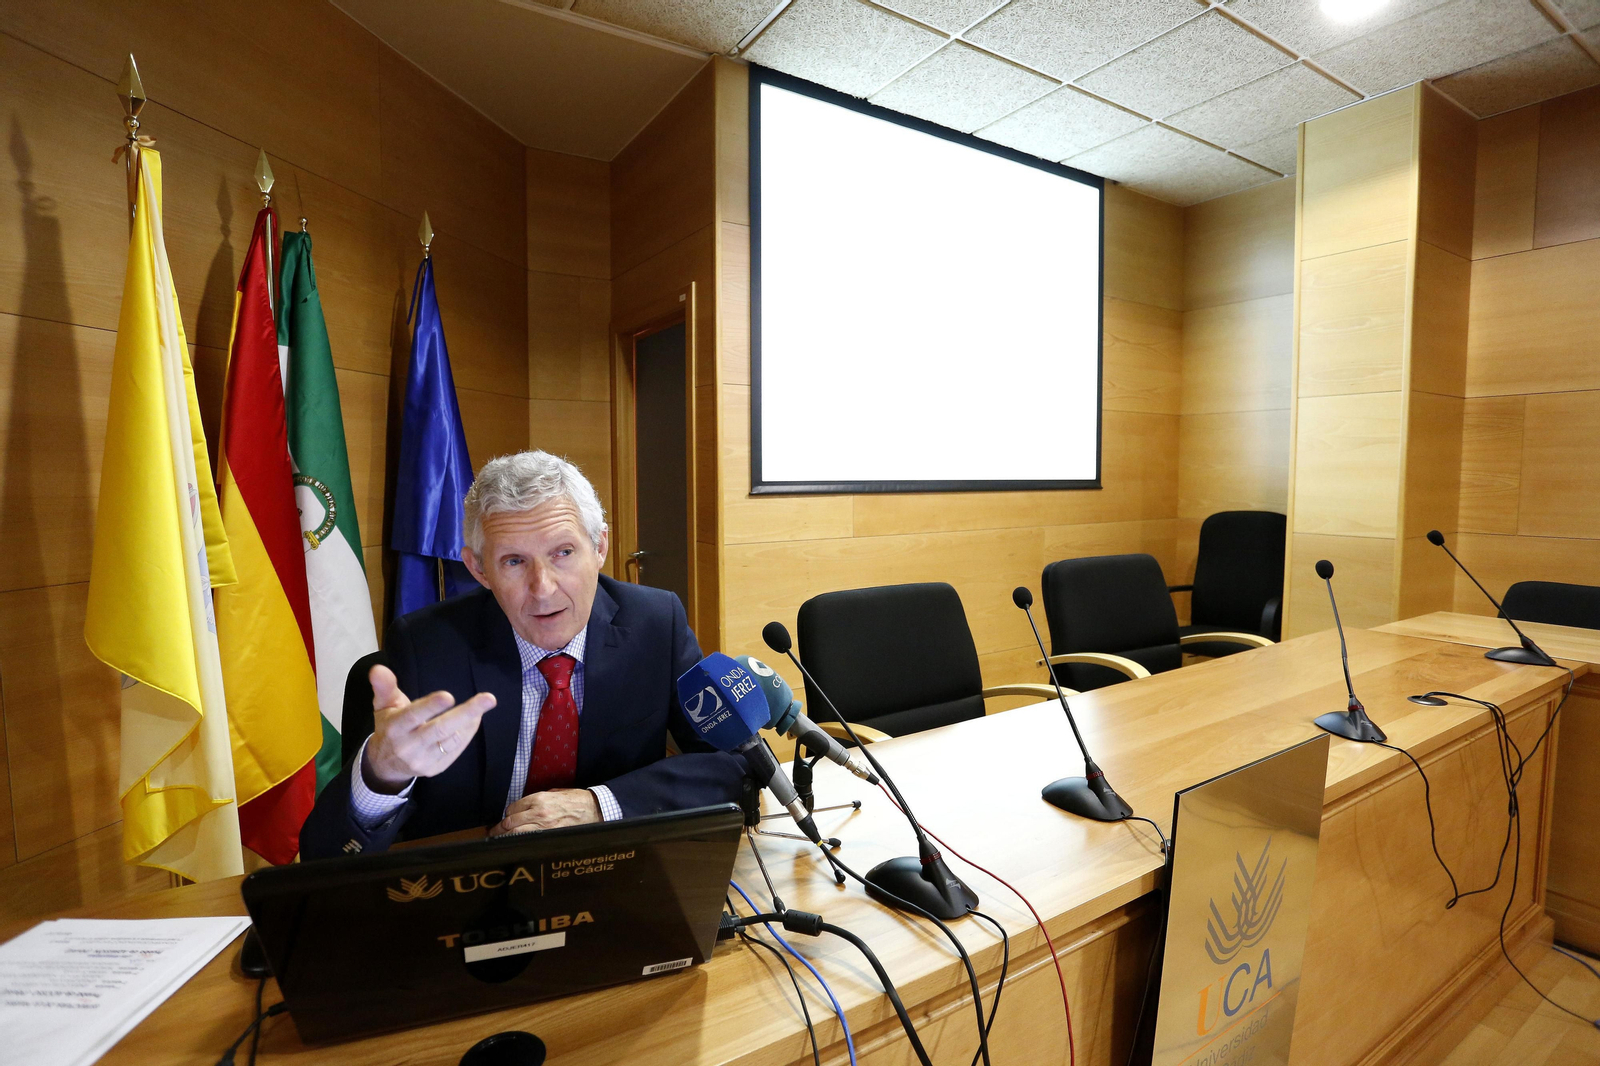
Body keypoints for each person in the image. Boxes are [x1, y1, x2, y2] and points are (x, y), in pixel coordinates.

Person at [299, 451, 746, 859]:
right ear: (479, 569)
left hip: (615, 871)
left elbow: (736, 765)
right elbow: (325, 854)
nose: (543, 588)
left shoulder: (654, 624)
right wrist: (382, 777)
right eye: (514, 561)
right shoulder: (425, 648)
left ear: (601, 548)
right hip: (473, 890)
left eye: (563, 553)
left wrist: (600, 804)